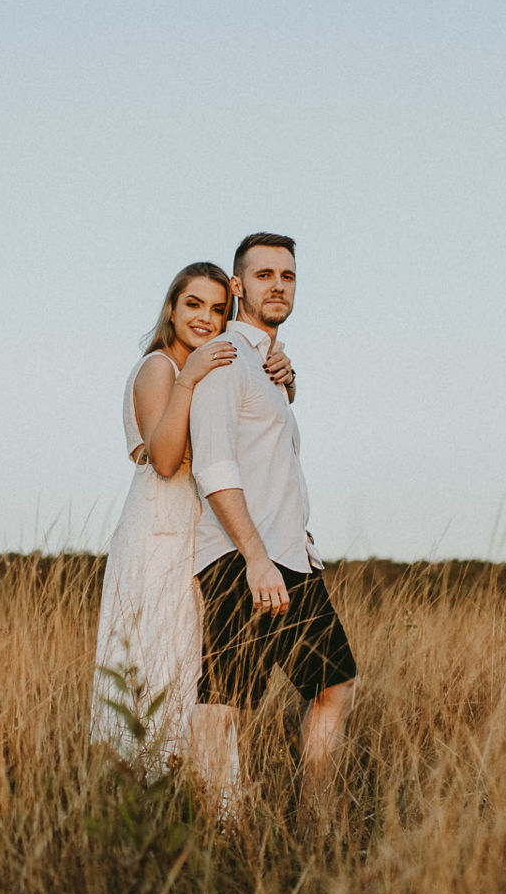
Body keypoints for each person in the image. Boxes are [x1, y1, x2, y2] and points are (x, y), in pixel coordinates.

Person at [90, 262, 294, 774]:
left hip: (198, 533)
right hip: (159, 533)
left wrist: (284, 377)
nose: (205, 318)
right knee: (159, 659)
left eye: (218, 309)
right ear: (171, 308)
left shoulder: (215, 368)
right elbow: (164, 459)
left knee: (193, 666)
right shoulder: (162, 367)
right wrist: (192, 377)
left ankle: (198, 792)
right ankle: (147, 785)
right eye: (193, 305)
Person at [186, 233, 359, 814]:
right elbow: (213, 467)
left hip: (291, 558)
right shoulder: (225, 360)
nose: (278, 285)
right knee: (225, 703)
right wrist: (255, 558)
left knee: (335, 685)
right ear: (237, 287)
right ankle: (221, 831)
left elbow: (271, 463)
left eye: (287, 275)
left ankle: (315, 819)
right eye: (263, 275)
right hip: (244, 559)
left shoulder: (267, 369)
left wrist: (295, 538)